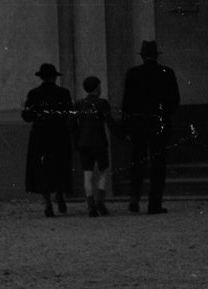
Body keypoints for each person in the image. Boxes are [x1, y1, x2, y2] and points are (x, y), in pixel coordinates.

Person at [120, 39, 180, 214]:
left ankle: (134, 198)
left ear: (142, 56)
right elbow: (174, 100)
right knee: (158, 165)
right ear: (156, 55)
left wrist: (126, 127)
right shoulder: (167, 73)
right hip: (159, 124)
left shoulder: (133, 73)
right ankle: (154, 203)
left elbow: (127, 104)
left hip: (138, 125)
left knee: (137, 162)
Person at [21, 62, 74, 217]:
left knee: (42, 169)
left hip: (40, 135)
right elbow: (68, 113)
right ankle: (60, 194)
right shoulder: (64, 92)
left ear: (41, 78)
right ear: (55, 78)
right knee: (59, 166)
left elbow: (27, 116)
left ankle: (48, 203)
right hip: (59, 134)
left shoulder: (34, 93)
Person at [74, 74, 114, 217]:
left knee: (87, 174)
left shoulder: (79, 104)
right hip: (99, 142)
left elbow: (71, 124)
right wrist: (121, 135)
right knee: (103, 171)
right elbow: (110, 122)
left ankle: (90, 204)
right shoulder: (102, 103)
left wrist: (77, 140)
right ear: (97, 87)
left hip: (84, 143)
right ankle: (100, 201)